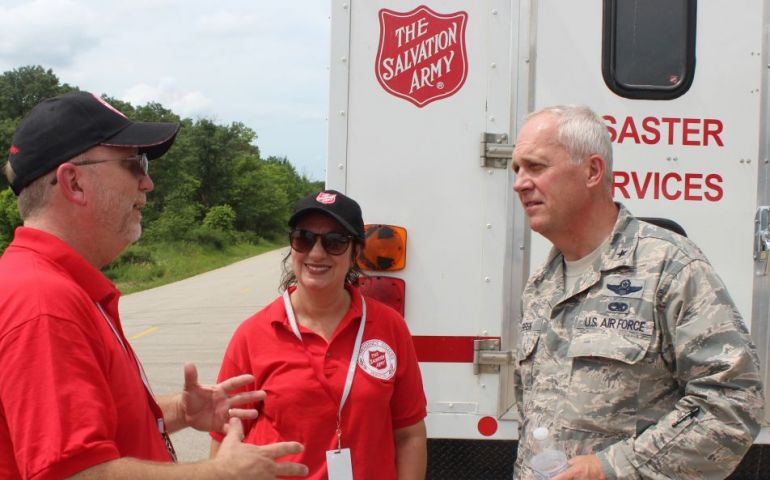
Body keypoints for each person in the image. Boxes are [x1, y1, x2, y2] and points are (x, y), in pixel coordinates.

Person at [0, 91, 308, 479]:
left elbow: (93, 422)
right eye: (134, 163)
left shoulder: (51, 284)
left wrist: (180, 411)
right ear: (74, 182)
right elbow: (71, 473)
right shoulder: (42, 301)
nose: (147, 183)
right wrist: (220, 474)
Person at [510, 105, 764, 479]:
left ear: (593, 171)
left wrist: (610, 469)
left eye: (535, 167)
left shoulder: (668, 267)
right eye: (516, 169)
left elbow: (733, 403)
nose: (519, 182)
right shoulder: (543, 284)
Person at [210, 189, 428, 479]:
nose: (316, 253)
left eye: (334, 242)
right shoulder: (253, 335)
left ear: (356, 252)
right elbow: (224, 441)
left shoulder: (389, 327)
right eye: (304, 238)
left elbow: (409, 435)